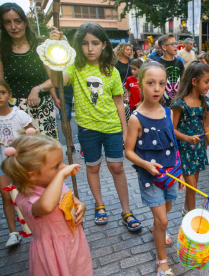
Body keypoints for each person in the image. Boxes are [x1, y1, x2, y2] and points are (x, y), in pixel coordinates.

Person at [49, 23, 141, 231]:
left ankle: (126, 210)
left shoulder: (112, 71)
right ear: (78, 46)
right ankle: (99, 205)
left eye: (95, 43)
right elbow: (56, 80)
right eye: (84, 43)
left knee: (117, 167)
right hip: (87, 130)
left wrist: (126, 131)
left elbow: (119, 103)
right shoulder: (74, 68)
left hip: (112, 128)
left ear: (104, 45)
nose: (90, 48)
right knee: (93, 167)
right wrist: (52, 51)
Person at [2, 133, 93, 275]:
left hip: (74, 242)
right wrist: (60, 175)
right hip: (53, 253)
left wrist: (80, 205)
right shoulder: (27, 199)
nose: (63, 167)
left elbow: (69, 198)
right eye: (57, 166)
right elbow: (46, 206)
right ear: (32, 175)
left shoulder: (55, 183)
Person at [125, 61, 183, 276]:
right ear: (140, 85)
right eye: (151, 83)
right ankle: (162, 261)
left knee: (166, 211)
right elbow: (128, 151)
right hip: (150, 177)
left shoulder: (168, 112)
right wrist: (145, 164)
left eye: (161, 83)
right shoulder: (135, 118)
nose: (157, 88)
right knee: (163, 219)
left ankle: (157, 228)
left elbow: (173, 145)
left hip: (170, 175)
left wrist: (178, 173)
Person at [0, 3, 59, 139]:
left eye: (18, 21)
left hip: (42, 107)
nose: (14, 27)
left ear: (25, 22)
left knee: (46, 152)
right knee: (22, 154)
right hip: (14, 110)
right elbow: (1, 84)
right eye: (8, 22)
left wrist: (37, 88)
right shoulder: (2, 51)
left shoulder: (41, 45)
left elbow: (54, 79)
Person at [171, 61, 209, 214]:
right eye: (206, 82)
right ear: (194, 81)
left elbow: (207, 127)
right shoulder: (180, 103)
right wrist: (187, 138)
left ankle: (186, 209)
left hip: (198, 149)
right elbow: (172, 129)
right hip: (184, 149)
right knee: (192, 186)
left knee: (194, 184)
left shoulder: (205, 101)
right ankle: (191, 217)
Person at [0, 80, 33, 248]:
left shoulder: (19, 114)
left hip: (20, 162)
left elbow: (31, 134)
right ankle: (13, 232)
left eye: (2, 92)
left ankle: (34, 225)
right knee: (6, 196)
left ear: (10, 95)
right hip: (1, 164)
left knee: (26, 192)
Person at [158, 34, 185, 106]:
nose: (176, 46)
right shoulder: (158, 64)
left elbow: (183, 80)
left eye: (176, 43)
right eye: (173, 44)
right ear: (164, 47)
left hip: (177, 102)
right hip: (162, 103)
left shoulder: (179, 62)